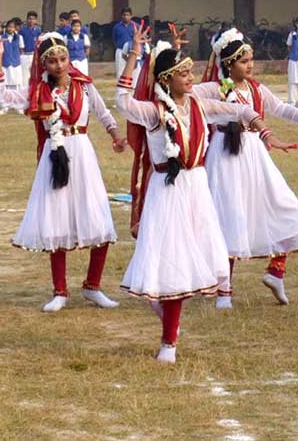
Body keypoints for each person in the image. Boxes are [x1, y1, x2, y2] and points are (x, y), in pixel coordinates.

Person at [116, 22, 273, 364]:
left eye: (190, 72)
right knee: (171, 264)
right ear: (165, 79)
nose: (190, 78)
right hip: (168, 191)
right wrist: (134, 56)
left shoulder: (202, 105)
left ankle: (171, 319)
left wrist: (262, 129)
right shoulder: (155, 113)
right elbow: (123, 101)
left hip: (197, 189)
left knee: (193, 259)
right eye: (183, 73)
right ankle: (169, 342)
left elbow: (241, 110)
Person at [0, 27, 129, 312]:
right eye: (52, 60)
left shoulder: (84, 85)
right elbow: (1, 98)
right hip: (55, 156)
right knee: (57, 221)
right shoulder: (37, 91)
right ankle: (60, 291)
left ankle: (93, 286)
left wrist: (115, 135)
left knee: (97, 218)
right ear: (43, 64)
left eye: (63, 58)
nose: (60, 64)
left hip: (82, 153)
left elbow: (103, 113)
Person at [196, 28, 298, 308]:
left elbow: (282, 108)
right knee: (229, 217)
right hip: (226, 156)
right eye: (243, 61)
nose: (250, 65)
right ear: (228, 63)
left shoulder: (255, 88)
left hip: (255, 154)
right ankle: (224, 290)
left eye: (251, 59)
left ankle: (276, 271)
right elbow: (187, 95)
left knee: (285, 206)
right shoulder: (215, 88)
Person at [0, 18, 27, 114]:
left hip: (16, 64)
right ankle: (5, 106)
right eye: (9, 27)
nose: (11, 29)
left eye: (12, 27)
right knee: (5, 85)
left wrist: (19, 61)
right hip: (5, 63)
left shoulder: (19, 37)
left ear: (15, 28)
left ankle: (18, 105)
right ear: (6, 28)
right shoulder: (2, 37)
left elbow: (21, 50)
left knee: (16, 85)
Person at [112, 7, 140, 81]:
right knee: (120, 71)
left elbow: (139, 38)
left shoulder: (136, 26)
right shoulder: (117, 27)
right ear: (121, 16)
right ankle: (121, 89)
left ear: (131, 16)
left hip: (132, 52)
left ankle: (133, 89)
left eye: (128, 15)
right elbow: (114, 39)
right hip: (120, 51)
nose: (126, 17)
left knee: (134, 71)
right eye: (124, 15)